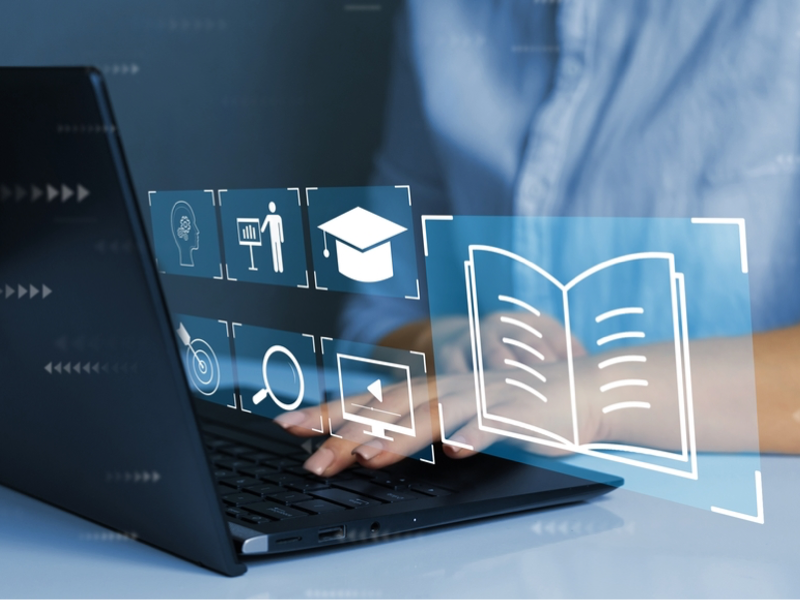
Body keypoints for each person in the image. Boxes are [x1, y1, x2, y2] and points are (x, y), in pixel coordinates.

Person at [275, 0, 800, 476]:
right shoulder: (442, 16)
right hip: (495, 513)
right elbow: (377, 318)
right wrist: (452, 345)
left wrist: (597, 395)